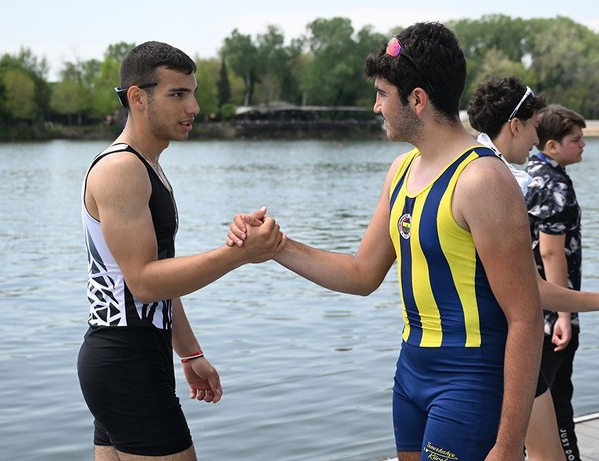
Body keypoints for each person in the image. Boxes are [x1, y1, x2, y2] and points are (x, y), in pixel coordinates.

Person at [233, 22, 544, 461]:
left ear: (417, 99)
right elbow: (362, 274)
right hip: (410, 374)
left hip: (469, 380)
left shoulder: (482, 180)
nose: (376, 106)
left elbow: (526, 317)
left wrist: (509, 443)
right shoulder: (400, 170)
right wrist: (277, 246)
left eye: (382, 94)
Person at [76, 41, 285, 461]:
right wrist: (239, 254)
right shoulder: (121, 169)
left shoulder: (147, 165)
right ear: (138, 97)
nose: (194, 107)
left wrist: (190, 353)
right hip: (125, 361)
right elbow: (144, 283)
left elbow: (161, 277)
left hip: (131, 359)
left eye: (193, 93)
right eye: (178, 94)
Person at [467, 76, 599, 461]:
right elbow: (541, 266)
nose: (535, 139)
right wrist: (596, 303)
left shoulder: (489, 172)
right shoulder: (501, 183)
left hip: (488, 336)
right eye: (533, 127)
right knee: (549, 429)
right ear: (515, 125)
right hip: (509, 336)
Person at [523, 104, 590, 461]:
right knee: (556, 400)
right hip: (553, 314)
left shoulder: (529, 174)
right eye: (575, 140)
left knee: (536, 401)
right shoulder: (554, 186)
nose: (583, 145)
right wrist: (564, 314)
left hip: (532, 308)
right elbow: (551, 253)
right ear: (552, 145)